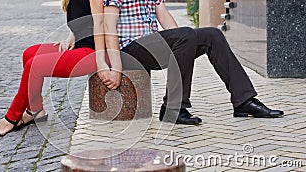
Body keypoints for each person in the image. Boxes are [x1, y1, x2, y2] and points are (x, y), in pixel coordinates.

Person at [102, 0, 284, 125]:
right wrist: (116, 67)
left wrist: (181, 42)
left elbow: (165, 18)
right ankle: (173, 109)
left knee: (212, 35)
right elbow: (108, 27)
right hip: (130, 51)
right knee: (185, 35)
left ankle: (243, 99)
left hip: (153, 45)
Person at [0, 0, 121, 137]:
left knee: (34, 65)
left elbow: (100, 24)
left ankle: (11, 118)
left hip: (94, 52)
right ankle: (35, 110)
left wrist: (101, 61)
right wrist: (72, 37)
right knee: (29, 54)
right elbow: (85, 20)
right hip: (81, 45)